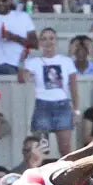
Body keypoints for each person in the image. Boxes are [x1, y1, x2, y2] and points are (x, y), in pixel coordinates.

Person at [21, 28, 79, 156]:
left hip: (63, 106)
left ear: (56, 41)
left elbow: (73, 87)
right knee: (41, 149)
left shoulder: (66, 61)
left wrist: (76, 111)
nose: (48, 42)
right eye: (44, 39)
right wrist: (23, 61)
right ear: (40, 43)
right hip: (43, 107)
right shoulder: (34, 62)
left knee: (65, 149)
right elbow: (22, 79)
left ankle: (66, 175)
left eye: (51, 38)